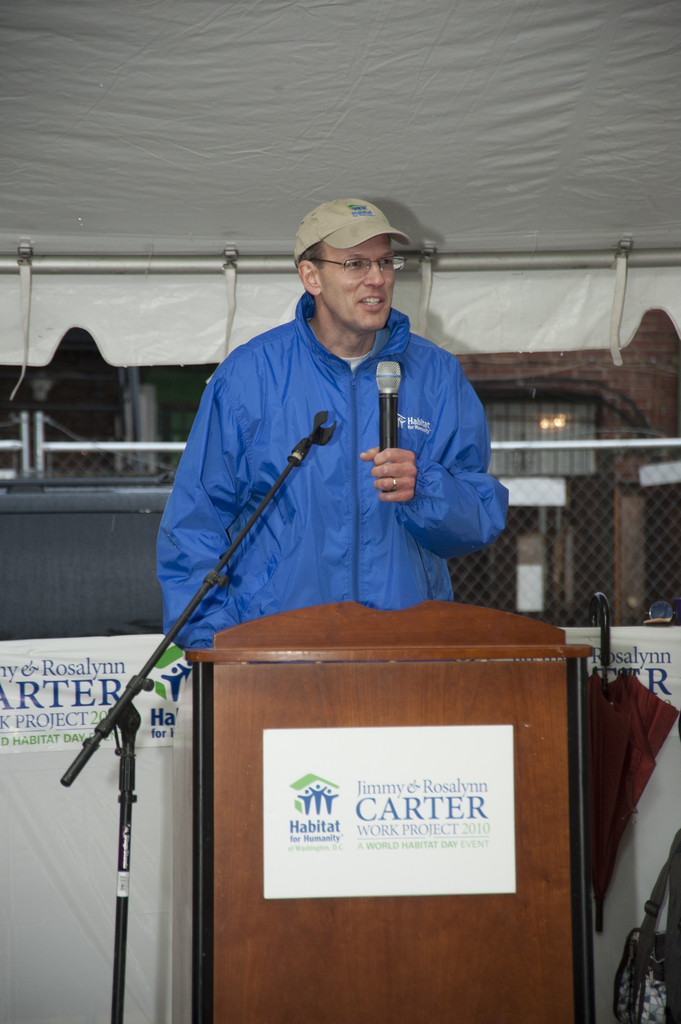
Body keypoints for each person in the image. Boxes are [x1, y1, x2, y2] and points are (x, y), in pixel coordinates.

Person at [157, 198, 508, 648]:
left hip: (406, 649)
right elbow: (194, 524)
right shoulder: (248, 377)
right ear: (311, 276)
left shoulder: (438, 375)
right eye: (356, 263)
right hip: (280, 654)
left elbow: (479, 517)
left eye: (385, 261)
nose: (377, 278)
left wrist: (425, 487)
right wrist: (218, 650)